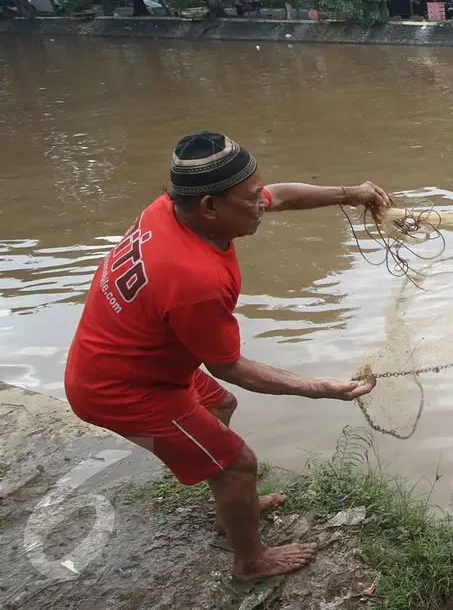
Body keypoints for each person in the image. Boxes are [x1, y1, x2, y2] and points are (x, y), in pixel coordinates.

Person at [63, 131, 391, 582]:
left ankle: (230, 510)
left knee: (220, 405)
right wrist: (322, 389)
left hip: (125, 358)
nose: (264, 205)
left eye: (259, 193)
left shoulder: (174, 208)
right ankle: (250, 561)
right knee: (239, 464)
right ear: (211, 207)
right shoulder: (192, 277)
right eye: (252, 199)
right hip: (121, 389)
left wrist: (349, 193)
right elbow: (230, 367)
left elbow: (280, 196)